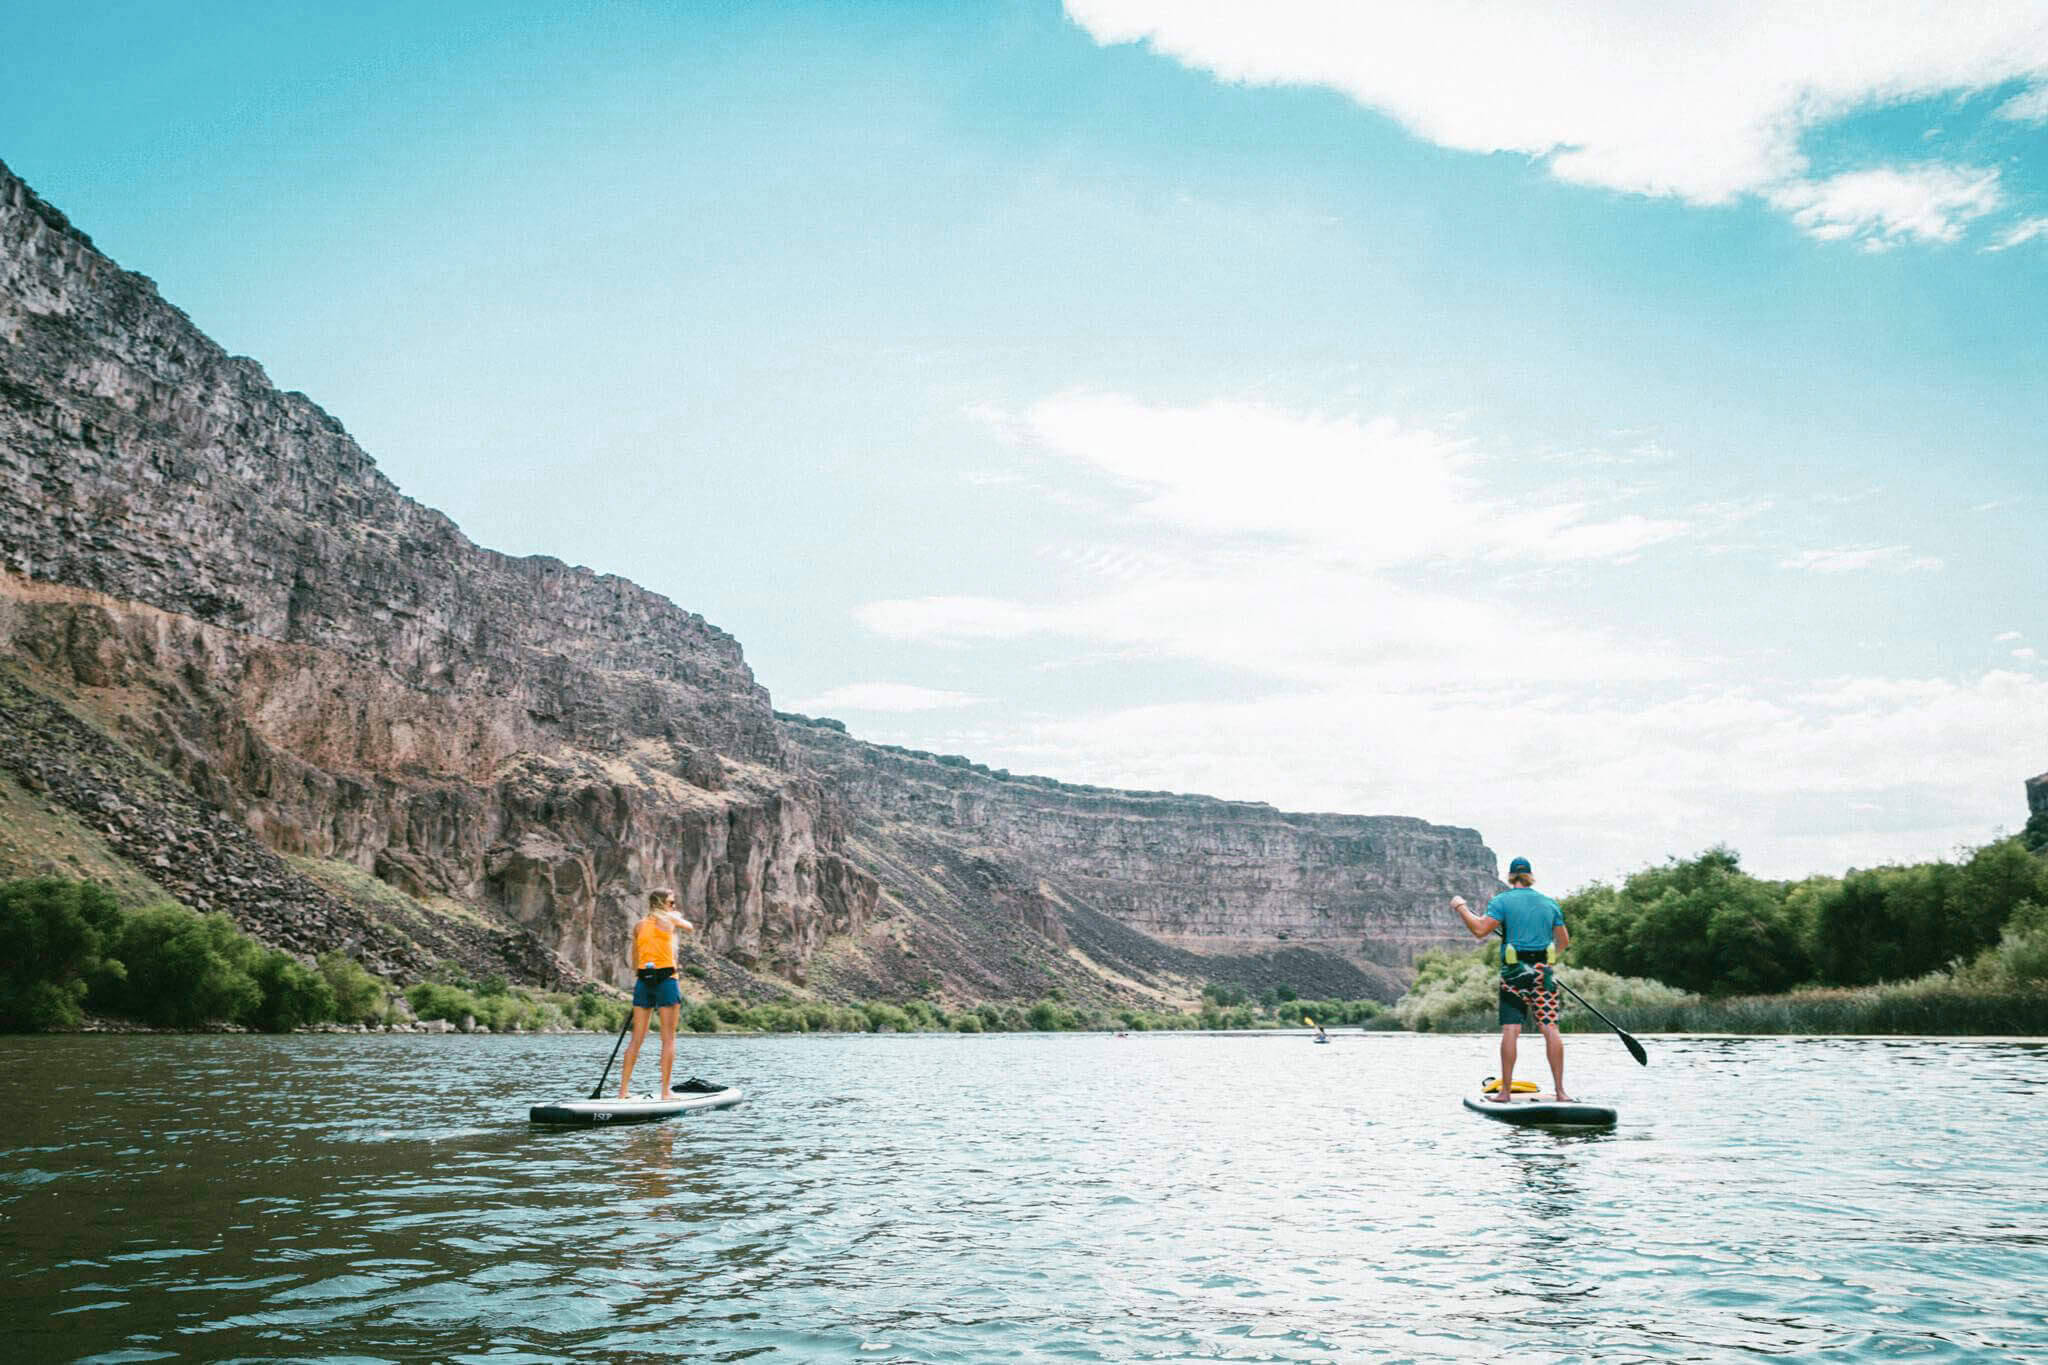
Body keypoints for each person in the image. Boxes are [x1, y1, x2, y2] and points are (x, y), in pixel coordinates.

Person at [1450, 856, 1573, 1103]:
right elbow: (1564, 941)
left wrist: (1461, 907)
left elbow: (1480, 930)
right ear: (1530, 876)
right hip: (1544, 973)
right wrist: (1548, 962)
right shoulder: (1550, 904)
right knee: (1550, 1027)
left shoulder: (1502, 901)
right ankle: (1561, 1093)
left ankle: (1505, 1093)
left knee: (1511, 1029)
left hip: (1514, 973)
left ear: (1510, 877)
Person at [617, 888, 696, 1100]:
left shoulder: (639, 925)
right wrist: (676, 916)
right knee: (668, 1039)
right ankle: (665, 1093)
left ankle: (623, 1092)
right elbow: (690, 927)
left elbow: (635, 959)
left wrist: (644, 978)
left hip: (643, 981)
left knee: (636, 1040)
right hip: (667, 981)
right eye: (672, 902)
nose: (674, 906)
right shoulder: (669, 920)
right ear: (662, 904)